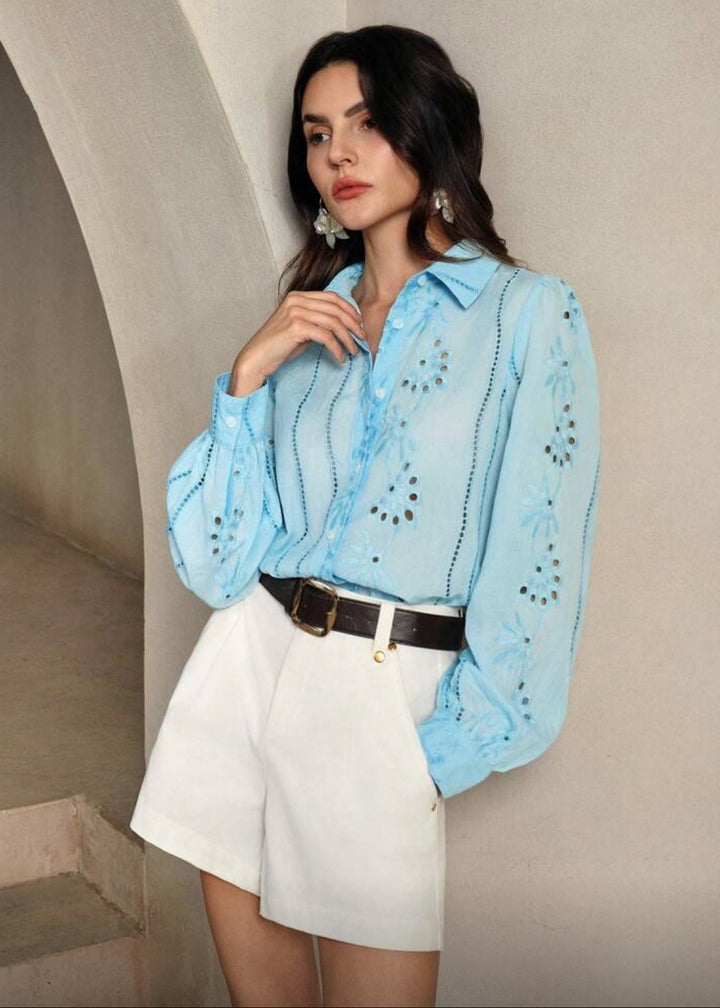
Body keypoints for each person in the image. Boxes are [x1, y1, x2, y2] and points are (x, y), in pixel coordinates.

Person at [130, 23, 600, 1008]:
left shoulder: (526, 316)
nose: (337, 153)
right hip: (248, 668)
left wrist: (427, 757)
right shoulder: (307, 323)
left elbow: (538, 555)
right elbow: (218, 563)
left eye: (368, 123)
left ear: (429, 132)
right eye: (316, 134)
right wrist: (248, 374)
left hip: (384, 699)